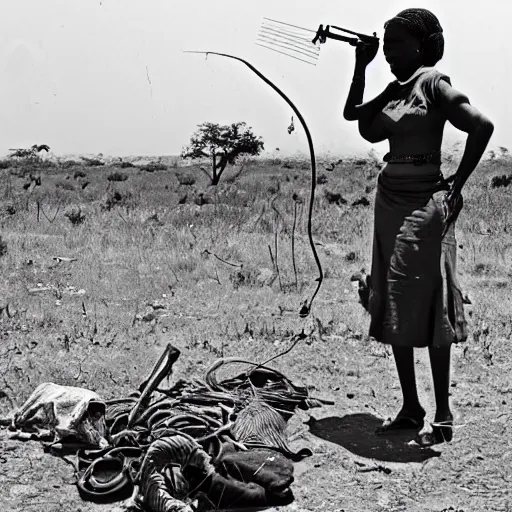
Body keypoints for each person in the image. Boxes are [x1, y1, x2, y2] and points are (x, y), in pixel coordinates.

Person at [342, 8, 494, 447]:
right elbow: (357, 118)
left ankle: (443, 413)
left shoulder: (433, 83)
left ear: (421, 46)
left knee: (430, 300)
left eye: (395, 44)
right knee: (391, 299)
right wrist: (361, 64)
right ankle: (411, 407)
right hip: (389, 199)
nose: (388, 52)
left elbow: (481, 126)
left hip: (427, 203)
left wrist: (456, 186)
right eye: (384, 45)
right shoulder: (394, 88)